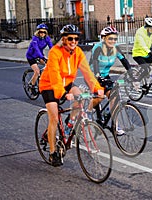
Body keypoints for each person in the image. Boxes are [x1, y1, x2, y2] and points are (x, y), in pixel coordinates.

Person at [39, 24, 104, 167]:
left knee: (80, 97)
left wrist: (97, 88)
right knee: (54, 117)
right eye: (70, 38)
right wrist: (62, 93)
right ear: (63, 39)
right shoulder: (55, 52)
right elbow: (55, 75)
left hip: (67, 83)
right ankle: (52, 152)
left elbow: (87, 73)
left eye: (76, 38)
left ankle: (69, 126)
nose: (74, 41)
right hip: (49, 85)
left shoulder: (78, 52)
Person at [89, 26, 131, 135]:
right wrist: (98, 76)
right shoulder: (97, 48)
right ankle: (88, 111)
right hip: (93, 75)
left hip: (105, 75)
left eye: (114, 39)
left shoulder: (116, 48)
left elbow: (124, 60)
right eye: (110, 39)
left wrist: (132, 74)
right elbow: (95, 62)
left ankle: (114, 126)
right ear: (103, 38)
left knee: (114, 97)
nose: (113, 41)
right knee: (99, 97)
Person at [26, 23, 53, 95]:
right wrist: (42, 57)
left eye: (44, 32)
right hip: (31, 56)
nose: (42, 33)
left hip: (40, 55)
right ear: (38, 32)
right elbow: (36, 49)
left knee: (50, 65)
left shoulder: (47, 38)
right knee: (37, 71)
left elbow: (52, 47)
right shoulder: (35, 39)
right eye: (41, 32)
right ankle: (32, 86)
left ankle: (43, 79)